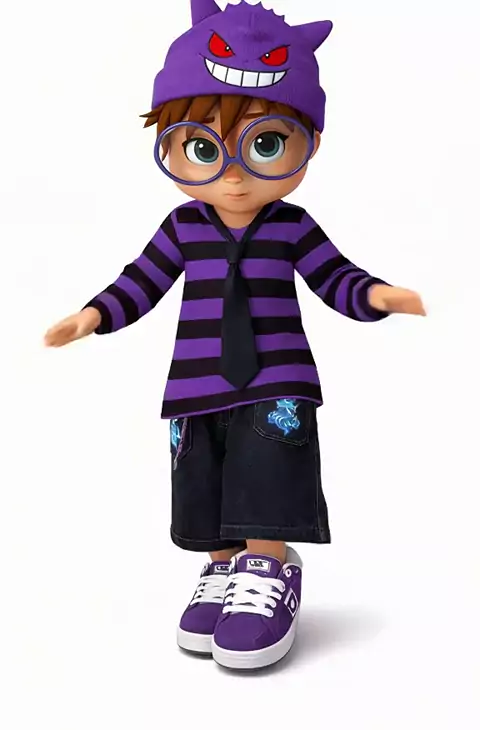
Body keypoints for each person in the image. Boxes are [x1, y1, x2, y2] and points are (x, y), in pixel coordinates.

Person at [44, 0, 425, 670]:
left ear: (310, 143)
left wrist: (380, 296)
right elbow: (142, 281)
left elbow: (334, 276)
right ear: (169, 145)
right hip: (195, 388)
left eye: (266, 145)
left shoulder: (292, 225)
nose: (235, 174)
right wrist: (92, 316)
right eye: (202, 148)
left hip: (277, 380)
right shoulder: (182, 228)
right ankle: (224, 567)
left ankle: (268, 567)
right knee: (203, 484)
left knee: (269, 475)